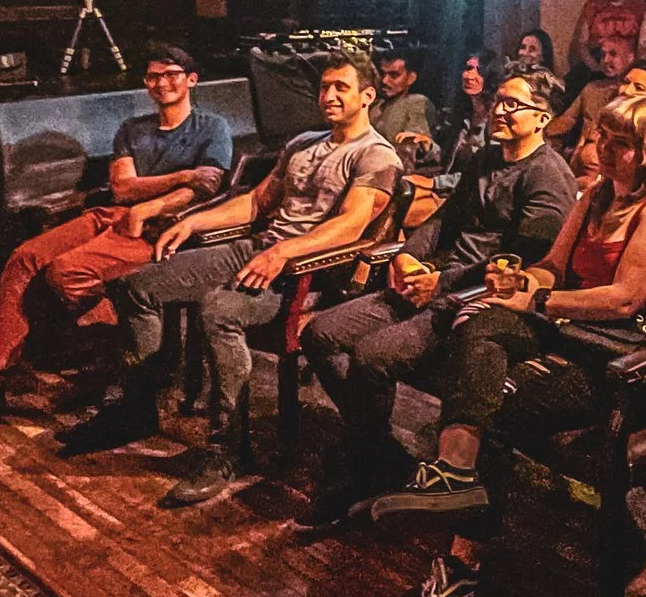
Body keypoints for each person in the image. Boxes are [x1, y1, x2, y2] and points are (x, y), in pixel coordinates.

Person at [367, 94, 646, 597]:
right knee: (479, 321)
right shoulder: (596, 196)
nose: (602, 151)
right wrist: (522, 281)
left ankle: (461, 563)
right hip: (580, 333)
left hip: (634, 359)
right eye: (602, 138)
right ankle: (454, 473)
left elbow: (624, 299)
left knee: (491, 405)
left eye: (619, 144)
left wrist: (538, 299)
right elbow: (552, 265)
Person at [76, 56, 404, 506]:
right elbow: (255, 204)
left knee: (218, 310)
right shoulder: (303, 143)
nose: (328, 96)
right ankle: (137, 406)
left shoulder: (376, 154)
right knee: (136, 285)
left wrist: (283, 253)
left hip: (304, 271)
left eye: (341, 88)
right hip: (258, 248)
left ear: (367, 96)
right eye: (325, 87)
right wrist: (193, 222)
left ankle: (227, 449)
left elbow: (351, 225)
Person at [295, 71, 578, 529]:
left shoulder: (548, 176)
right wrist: (407, 255)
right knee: (321, 333)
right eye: (499, 101)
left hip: (472, 299)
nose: (499, 110)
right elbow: (444, 220)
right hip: (434, 281)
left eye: (512, 104)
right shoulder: (485, 158)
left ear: (542, 118)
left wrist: (441, 283)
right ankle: (381, 454)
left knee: (372, 357)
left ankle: (360, 467)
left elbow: (521, 263)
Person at [0, 43, 236, 437]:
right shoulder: (133, 128)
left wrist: (152, 206)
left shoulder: (211, 127)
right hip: (112, 214)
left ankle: (126, 363)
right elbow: (122, 187)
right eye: (153, 76)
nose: (162, 83)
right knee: (25, 257)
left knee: (66, 273)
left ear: (191, 80)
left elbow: (207, 184)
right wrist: (181, 176)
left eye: (171, 75)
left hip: (161, 228)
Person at [546, 31, 639, 149]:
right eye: (603, 55)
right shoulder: (592, 88)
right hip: (584, 149)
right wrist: (541, 132)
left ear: (630, 58)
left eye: (613, 54)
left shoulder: (635, 92)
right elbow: (568, 119)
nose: (606, 60)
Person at [568, 0, 646, 83]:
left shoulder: (640, 3)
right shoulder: (593, 5)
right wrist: (595, 68)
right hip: (598, 60)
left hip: (630, 61)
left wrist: (634, 65)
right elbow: (581, 43)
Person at [434, 50, 501, 172]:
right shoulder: (461, 116)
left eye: (480, 71)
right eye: (468, 69)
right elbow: (447, 161)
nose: (469, 76)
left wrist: (436, 182)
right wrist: (428, 145)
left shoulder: (497, 121)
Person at [370, 51, 438, 163]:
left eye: (394, 75)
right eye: (382, 74)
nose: (384, 81)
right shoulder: (375, 105)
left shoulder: (416, 103)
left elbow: (412, 147)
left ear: (411, 78)